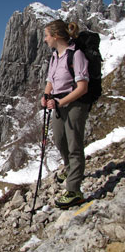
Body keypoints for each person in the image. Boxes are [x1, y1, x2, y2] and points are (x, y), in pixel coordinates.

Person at [41, 19, 89, 209]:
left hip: (75, 105)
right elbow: (50, 81)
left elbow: (83, 87)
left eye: (46, 36)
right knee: (59, 140)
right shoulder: (55, 56)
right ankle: (70, 169)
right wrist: (45, 95)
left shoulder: (76, 55)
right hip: (58, 105)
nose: (45, 40)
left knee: (74, 145)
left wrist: (60, 101)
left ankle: (74, 190)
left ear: (56, 36)